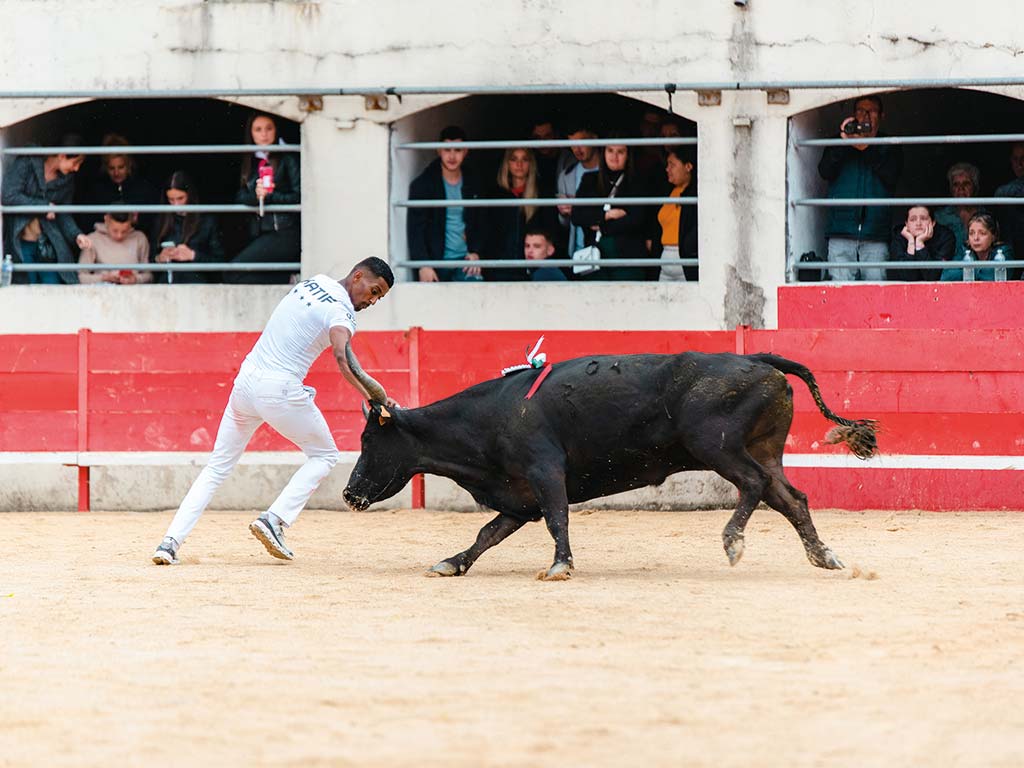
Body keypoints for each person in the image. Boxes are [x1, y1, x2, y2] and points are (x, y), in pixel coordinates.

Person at [152, 257, 396, 566]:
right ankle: (275, 519)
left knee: (216, 467)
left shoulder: (314, 282)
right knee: (324, 455)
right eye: (373, 291)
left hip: (246, 382)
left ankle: (169, 543)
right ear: (358, 276)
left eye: (379, 297)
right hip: (278, 388)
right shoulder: (342, 312)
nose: (373, 300)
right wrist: (376, 399)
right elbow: (342, 357)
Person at [817, 95, 903, 281]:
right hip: (841, 231)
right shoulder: (839, 141)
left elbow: (891, 175)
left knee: (875, 295)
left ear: (881, 115)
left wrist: (865, 147)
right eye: (860, 111)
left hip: (875, 234)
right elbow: (824, 171)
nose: (865, 116)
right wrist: (844, 141)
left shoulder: (889, 145)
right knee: (840, 294)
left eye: (871, 111)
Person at [1, 133, 92, 284]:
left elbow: (63, 213)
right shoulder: (28, 161)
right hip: (21, 241)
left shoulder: (67, 180)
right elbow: (8, 195)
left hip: (48, 242)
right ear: (62, 156)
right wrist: (42, 206)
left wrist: (76, 234)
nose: (76, 168)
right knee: (26, 288)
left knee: (54, 286)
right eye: (76, 162)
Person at [226, 111, 301, 284]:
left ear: (276, 130)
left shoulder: (287, 157)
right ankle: (285, 278)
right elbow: (240, 196)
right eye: (258, 129)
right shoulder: (250, 160)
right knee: (236, 273)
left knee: (234, 272)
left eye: (269, 128)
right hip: (260, 231)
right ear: (250, 133)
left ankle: (286, 278)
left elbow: (299, 196)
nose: (264, 134)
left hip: (284, 230)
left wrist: (270, 196)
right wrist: (255, 195)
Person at [407, 125, 485, 282]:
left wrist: (476, 252)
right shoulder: (423, 184)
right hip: (436, 264)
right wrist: (424, 265)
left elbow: (483, 222)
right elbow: (415, 228)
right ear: (439, 150)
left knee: (475, 296)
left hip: (465, 262)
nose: (452, 156)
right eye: (447, 149)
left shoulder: (474, 181)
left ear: (465, 151)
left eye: (457, 150)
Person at [571, 136, 651, 281]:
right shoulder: (590, 180)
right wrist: (607, 215)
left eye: (620, 152)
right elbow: (577, 216)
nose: (614, 156)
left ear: (628, 156)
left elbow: (636, 219)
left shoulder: (638, 182)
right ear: (603, 153)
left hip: (628, 262)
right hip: (594, 261)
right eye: (610, 150)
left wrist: (600, 225)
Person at [486, 147, 559, 281]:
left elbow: (551, 232)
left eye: (524, 159)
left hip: (532, 270)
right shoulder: (496, 195)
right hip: (500, 269)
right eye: (514, 159)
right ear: (507, 163)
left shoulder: (543, 194)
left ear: (531, 163)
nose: (519, 164)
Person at [150, 171, 225, 284]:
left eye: (180, 198)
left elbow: (220, 262)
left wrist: (193, 255)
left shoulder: (207, 221)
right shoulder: (161, 220)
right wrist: (159, 258)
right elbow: (149, 259)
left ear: (190, 195)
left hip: (198, 284)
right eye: (171, 200)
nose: (176, 204)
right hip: (167, 283)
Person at [81, 133, 159, 233]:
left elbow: (152, 222)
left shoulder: (143, 189)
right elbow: (88, 222)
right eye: (111, 168)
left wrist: (137, 221)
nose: (116, 173)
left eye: (121, 167)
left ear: (129, 165)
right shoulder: (96, 191)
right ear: (105, 167)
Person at [650, 145, 698, 282]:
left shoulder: (696, 194)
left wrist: (687, 246)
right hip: (665, 261)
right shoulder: (668, 191)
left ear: (688, 167)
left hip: (685, 264)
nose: (667, 169)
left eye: (672, 165)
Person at [557, 123, 601, 261]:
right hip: (578, 251)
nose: (577, 149)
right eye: (572, 144)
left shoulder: (609, 171)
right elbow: (565, 224)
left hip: (604, 249)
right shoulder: (566, 175)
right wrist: (563, 213)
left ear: (594, 139)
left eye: (581, 142)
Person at [77, 208, 152, 284]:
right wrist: (104, 278)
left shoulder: (140, 238)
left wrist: (135, 279)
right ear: (106, 220)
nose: (119, 235)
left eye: (124, 231)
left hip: (134, 290)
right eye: (115, 230)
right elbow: (81, 277)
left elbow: (149, 276)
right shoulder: (92, 239)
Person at [887, 205, 955, 281]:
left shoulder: (945, 237)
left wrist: (920, 244)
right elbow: (907, 277)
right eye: (913, 219)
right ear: (906, 224)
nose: (918, 223)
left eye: (923, 218)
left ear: (933, 223)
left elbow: (933, 276)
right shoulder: (898, 238)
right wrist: (911, 243)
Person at [940, 212, 1013, 282]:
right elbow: (946, 276)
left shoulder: (1003, 252)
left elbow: (991, 276)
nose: (976, 238)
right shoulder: (964, 250)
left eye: (982, 233)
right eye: (971, 233)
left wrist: (969, 271)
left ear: (993, 236)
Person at [934, 162, 983, 253]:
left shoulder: (985, 215)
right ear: (951, 189)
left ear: (975, 187)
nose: (961, 188)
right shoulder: (941, 217)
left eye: (966, 183)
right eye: (956, 184)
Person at [529, 117, 572, 198]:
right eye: (538, 138)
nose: (542, 142)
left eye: (547, 136)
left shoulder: (568, 159)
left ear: (556, 136)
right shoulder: (528, 160)